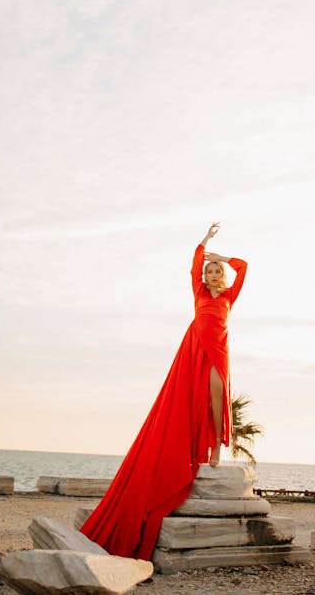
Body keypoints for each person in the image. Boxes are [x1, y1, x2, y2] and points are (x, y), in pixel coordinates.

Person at [79, 223, 248, 560]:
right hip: (196, 346)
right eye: (210, 270)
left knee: (217, 393)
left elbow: (244, 266)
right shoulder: (199, 292)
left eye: (217, 271)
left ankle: (214, 446)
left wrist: (223, 256)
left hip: (219, 348)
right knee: (195, 396)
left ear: (223, 277)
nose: (214, 273)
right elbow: (193, 262)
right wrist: (205, 243)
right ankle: (202, 446)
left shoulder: (229, 296)